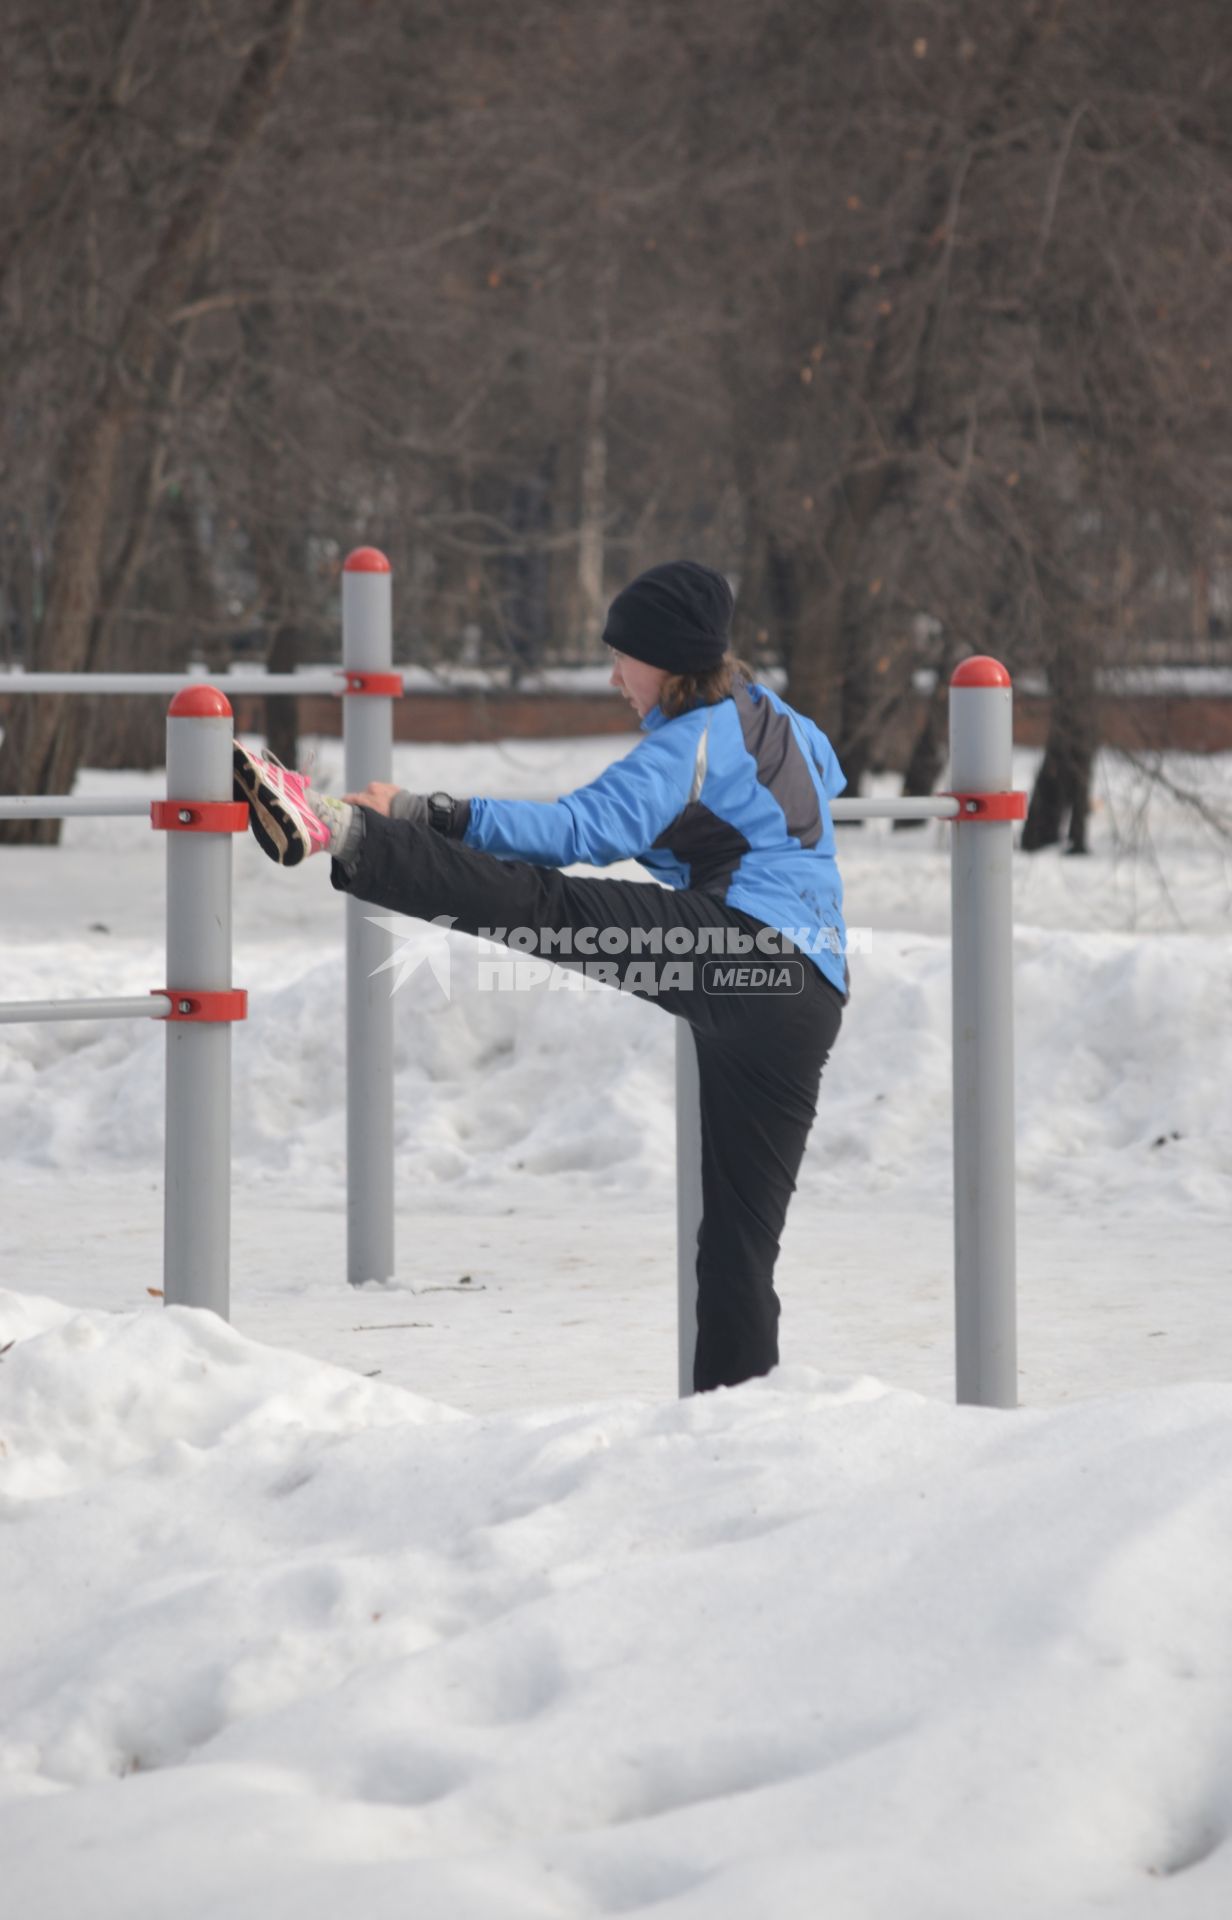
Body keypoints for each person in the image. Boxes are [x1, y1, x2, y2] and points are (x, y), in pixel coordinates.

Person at [234, 560, 848, 1392]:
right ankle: (736, 1428)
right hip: (807, 995)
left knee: (546, 908)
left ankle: (342, 831)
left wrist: (421, 811)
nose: (613, 677)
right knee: (737, 1251)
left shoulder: (687, 745)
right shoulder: (775, 716)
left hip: (745, 950)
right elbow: (827, 774)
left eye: (623, 658)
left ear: (667, 661)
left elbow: (574, 831)